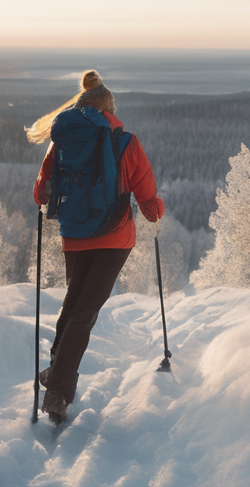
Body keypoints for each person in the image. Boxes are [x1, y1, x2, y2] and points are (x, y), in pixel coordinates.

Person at [29, 70, 165, 422]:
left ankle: (56, 372)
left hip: (75, 236)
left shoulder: (62, 141)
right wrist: (155, 211)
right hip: (114, 236)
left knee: (75, 303)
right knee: (85, 311)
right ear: (109, 109)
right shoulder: (125, 141)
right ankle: (58, 390)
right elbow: (147, 197)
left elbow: (40, 192)